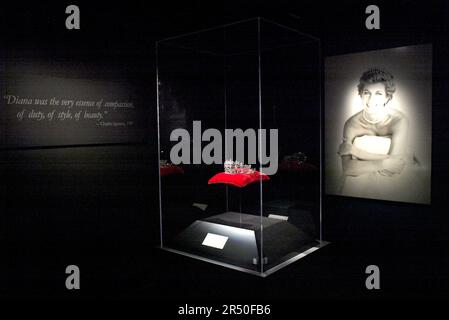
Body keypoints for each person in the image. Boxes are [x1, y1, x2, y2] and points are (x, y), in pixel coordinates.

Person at [337, 68, 418, 200]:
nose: (371, 99)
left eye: (379, 93)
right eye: (367, 93)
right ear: (360, 94)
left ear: (387, 97)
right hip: (359, 184)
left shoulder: (399, 121)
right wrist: (385, 163)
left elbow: (395, 169)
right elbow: (347, 169)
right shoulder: (351, 124)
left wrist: (357, 152)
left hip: (395, 183)